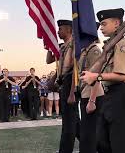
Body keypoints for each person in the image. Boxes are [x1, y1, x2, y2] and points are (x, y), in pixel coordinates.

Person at [81, 8, 125, 153]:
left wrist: (96, 77)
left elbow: (121, 75)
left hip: (122, 95)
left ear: (117, 23)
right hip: (110, 95)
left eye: (104, 24)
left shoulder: (121, 45)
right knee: (103, 142)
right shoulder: (110, 46)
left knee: (121, 144)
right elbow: (100, 67)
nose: (100, 27)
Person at [46, 20, 80, 153]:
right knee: (73, 121)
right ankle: (93, 145)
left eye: (60, 29)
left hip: (71, 83)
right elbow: (49, 60)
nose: (58, 31)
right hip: (64, 83)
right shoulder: (62, 47)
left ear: (68, 30)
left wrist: (72, 92)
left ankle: (65, 150)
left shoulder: (74, 45)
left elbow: (74, 70)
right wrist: (50, 46)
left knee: (69, 123)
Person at [77, 35, 104, 153]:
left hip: (93, 96)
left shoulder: (94, 51)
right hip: (85, 94)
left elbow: (97, 76)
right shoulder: (85, 51)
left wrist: (92, 101)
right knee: (87, 134)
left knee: (90, 134)